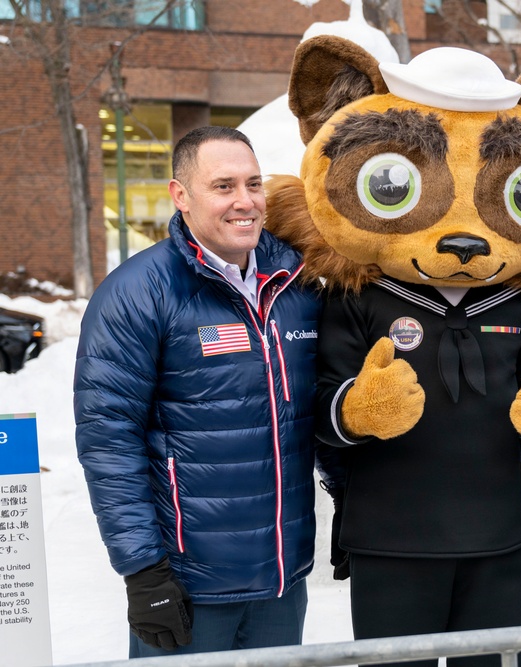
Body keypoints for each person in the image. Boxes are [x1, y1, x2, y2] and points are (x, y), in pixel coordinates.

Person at [74, 126, 327, 658]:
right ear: (180, 196)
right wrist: (143, 571)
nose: (245, 202)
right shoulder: (137, 293)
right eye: (223, 186)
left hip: (281, 580)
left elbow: (315, 412)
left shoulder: (298, 285)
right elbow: (108, 441)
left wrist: (349, 499)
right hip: (189, 586)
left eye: (254, 184)